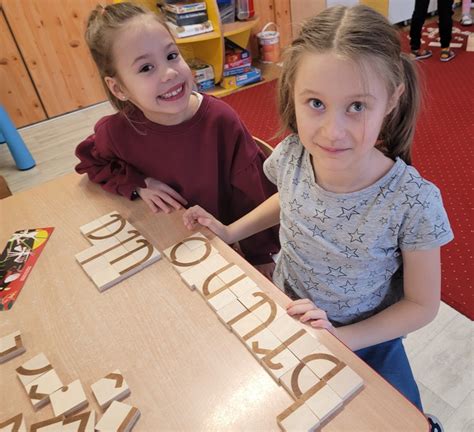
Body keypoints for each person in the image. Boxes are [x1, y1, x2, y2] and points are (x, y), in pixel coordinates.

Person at [183, 4, 453, 419]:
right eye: (315, 103)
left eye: (357, 106)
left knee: (399, 419)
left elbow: (422, 305)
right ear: (292, 91)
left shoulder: (414, 201)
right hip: (290, 309)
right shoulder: (293, 152)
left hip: (368, 339)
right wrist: (229, 231)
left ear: (393, 100)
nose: (332, 131)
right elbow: (289, 199)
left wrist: (342, 339)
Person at [75, 3, 279, 276]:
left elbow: (253, 193)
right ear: (119, 88)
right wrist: (139, 184)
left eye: (172, 55)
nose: (169, 72)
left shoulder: (220, 120)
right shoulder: (117, 131)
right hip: (167, 243)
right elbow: (91, 162)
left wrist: (259, 256)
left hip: (225, 246)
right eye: (146, 67)